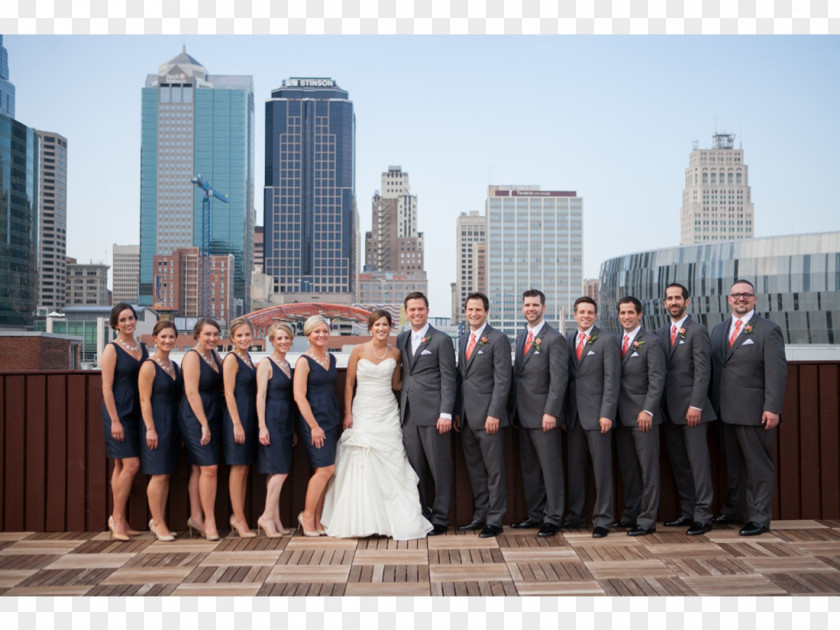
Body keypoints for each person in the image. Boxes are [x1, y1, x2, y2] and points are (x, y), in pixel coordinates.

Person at [322, 310, 433, 540]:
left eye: (385, 325)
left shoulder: (396, 353)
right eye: (377, 325)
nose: (381, 328)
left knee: (392, 463)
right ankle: (362, 520)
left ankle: (393, 520)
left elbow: (396, 384)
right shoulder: (359, 350)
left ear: (390, 328)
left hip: (387, 412)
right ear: (370, 328)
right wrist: (348, 413)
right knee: (361, 462)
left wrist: (424, 385)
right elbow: (349, 384)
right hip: (363, 410)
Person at [710, 279, 787, 536]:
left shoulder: (768, 330)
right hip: (724, 411)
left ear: (755, 299)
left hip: (755, 412)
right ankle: (735, 510)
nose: (741, 298)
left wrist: (772, 407)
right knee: (733, 466)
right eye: (736, 295)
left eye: (746, 294)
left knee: (758, 467)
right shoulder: (719, 330)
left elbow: (776, 373)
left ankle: (759, 518)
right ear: (729, 299)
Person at [656, 283, 717, 536]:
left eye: (677, 298)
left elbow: (703, 371)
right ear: (664, 303)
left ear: (687, 302)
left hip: (693, 411)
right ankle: (687, 512)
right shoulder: (660, 333)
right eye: (669, 298)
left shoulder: (697, 331)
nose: (673, 302)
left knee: (698, 464)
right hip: (669, 411)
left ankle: (703, 516)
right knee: (680, 464)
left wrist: (696, 405)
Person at [397, 292, 457, 536]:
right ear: (406, 312)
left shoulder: (441, 340)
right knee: (415, 469)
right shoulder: (401, 339)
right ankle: (421, 514)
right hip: (408, 414)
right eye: (412, 310)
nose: (416, 313)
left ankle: (441, 517)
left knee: (439, 468)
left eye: (420, 309)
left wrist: (446, 412)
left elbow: (449, 378)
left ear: (427, 310)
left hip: (434, 414)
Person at [510, 289, 568, 538]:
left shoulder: (554, 339)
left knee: (550, 468)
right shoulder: (522, 336)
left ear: (544, 308)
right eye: (527, 305)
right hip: (523, 415)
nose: (530, 308)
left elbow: (559, 379)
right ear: (522, 308)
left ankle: (553, 518)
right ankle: (535, 514)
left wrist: (551, 411)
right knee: (530, 468)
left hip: (545, 416)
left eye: (535, 305)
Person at [562, 296, 620, 538]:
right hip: (573, 416)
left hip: (598, 417)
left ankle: (603, 520)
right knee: (575, 469)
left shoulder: (607, 341)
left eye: (589, 312)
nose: (585, 315)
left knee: (602, 470)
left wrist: (607, 413)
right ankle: (576, 516)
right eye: (581, 312)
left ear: (595, 315)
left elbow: (612, 380)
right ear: (575, 315)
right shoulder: (568, 341)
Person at [457, 292, 512, 538]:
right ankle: (480, 514)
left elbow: (503, 381)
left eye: (478, 310)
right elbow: (462, 378)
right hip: (467, 418)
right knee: (475, 469)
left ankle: (495, 519)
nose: (474, 313)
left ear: (486, 312)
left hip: (489, 418)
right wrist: (459, 412)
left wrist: (494, 414)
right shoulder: (463, 338)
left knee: (494, 470)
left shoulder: (498, 339)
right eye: (470, 309)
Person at [613, 296, 666, 537]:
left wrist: (648, 409)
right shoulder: (615, 341)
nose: (626, 316)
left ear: (639, 314)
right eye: (622, 312)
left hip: (643, 416)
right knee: (629, 470)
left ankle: (647, 520)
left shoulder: (651, 342)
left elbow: (657, 380)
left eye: (630, 312)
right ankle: (630, 515)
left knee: (648, 470)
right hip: (621, 417)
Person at [100, 302, 148, 541]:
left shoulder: (142, 347)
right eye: (123, 320)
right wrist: (114, 421)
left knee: (120, 467)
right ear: (116, 324)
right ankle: (117, 518)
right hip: (118, 413)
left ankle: (120, 519)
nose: (128, 323)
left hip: (137, 412)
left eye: (131, 318)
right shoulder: (112, 349)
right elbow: (106, 388)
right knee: (131, 465)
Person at [293, 315, 340, 537]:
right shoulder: (304, 361)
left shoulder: (332, 358)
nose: (321, 335)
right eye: (316, 332)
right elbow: (299, 397)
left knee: (327, 471)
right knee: (324, 469)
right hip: (314, 421)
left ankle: (319, 519)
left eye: (324, 331)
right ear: (308, 334)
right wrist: (313, 426)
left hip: (331, 418)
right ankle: (307, 515)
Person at [179, 318, 223, 541]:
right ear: (197, 335)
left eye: (215, 334)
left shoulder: (215, 355)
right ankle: (209, 520)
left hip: (213, 412)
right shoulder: (192, 357)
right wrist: (203, 424)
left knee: (199, 468)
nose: (212, 338)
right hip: (195, 417)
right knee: (209, 468)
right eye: (207, 334)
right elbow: (191, 392)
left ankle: (196, 517)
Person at [138, 320, 182, 542]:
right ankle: (157, 522)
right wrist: (150, 429)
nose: (167, 341)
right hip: (155, 423)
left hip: (172, 423)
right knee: (158, 474)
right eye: (163, 337)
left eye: (171, 337)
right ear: (154, 338)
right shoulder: (149, 366)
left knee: (166, 475)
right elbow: (144, 400)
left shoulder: (175, 366)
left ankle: (159, 520)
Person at [255, 323, 297, 537]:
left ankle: (276, 519)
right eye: (279, 338)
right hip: (271, 419)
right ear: (271, 341)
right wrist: (262, 426)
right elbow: (260, 396)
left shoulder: (287, 364)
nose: (283, 342)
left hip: (285, 420)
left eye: (286, 338)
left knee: (277, 470)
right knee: (280, 470)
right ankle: (266, 517)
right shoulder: (266, 363)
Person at [222, 317, 258, 538]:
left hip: (249, 415)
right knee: (237, 468)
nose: (244, 339)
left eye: (247, 335)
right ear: (232, 338)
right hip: (237, 417)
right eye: (240, 335)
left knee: (244, 468)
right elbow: (228, 393)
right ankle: (238, 518)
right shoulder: (231, 359)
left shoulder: (248, 358)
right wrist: (236, 423)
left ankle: (240, 515)